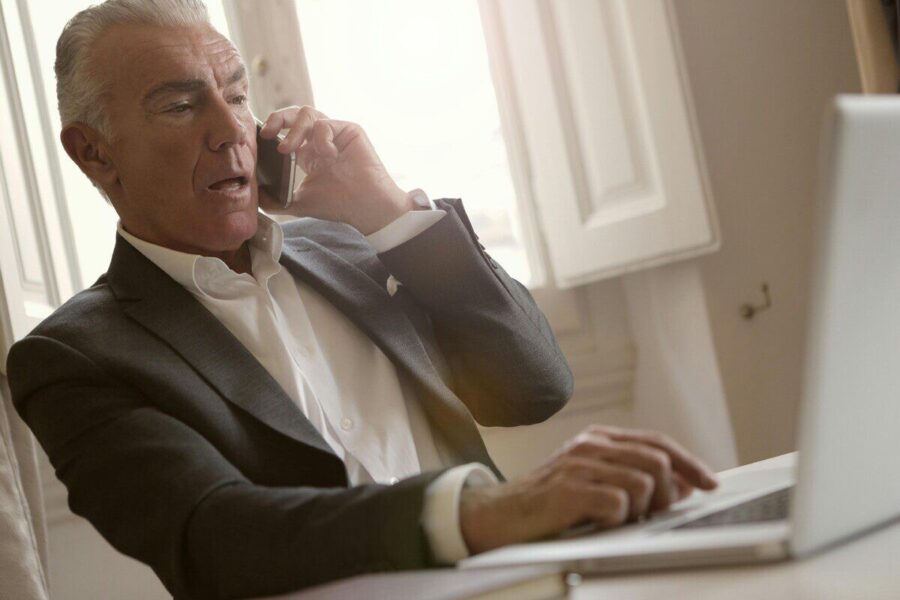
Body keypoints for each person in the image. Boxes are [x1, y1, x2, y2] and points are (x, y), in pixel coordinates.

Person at [6, 1, 719, 598]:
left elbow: (534, 386)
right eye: (180, 105)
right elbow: (215, 535)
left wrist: (386, 212)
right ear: (93, 152)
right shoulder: (73, 356)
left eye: (235, 92)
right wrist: (482, 510)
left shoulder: (355, 249)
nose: (230, 132)